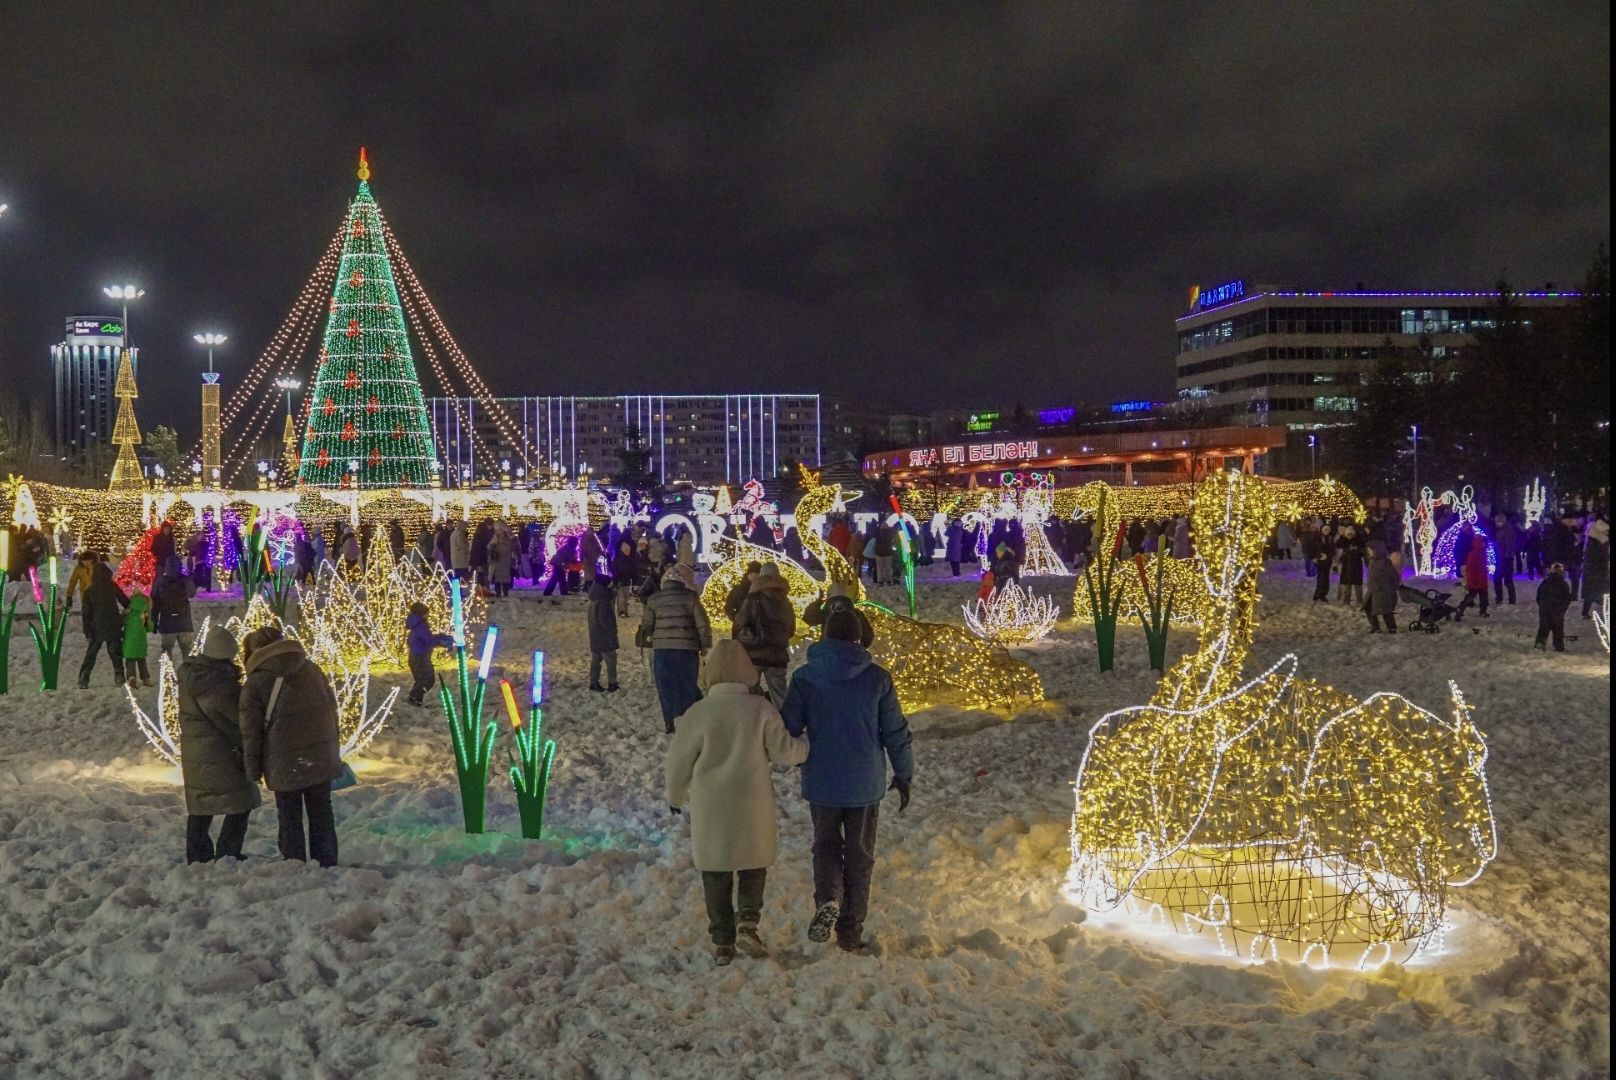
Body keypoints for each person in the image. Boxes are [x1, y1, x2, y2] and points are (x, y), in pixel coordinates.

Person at [666, 640, 809, 965]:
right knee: (752, 864)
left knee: (715, 871)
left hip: (711, 804)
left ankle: (722, 942)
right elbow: (785, 752)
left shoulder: (698, 713)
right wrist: (807, 745)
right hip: (751, 801)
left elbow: (678, 761)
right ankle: (748, 921)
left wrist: (675, 795)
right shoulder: (760, 709)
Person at [782, 607, 913, 953]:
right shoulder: (878, 679)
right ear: (858, 638)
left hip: (822, 780)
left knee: (825, 846)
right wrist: (904, 773)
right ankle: (850, 931)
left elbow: (789, 728)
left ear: (824, 636)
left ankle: (828, 898)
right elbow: (895, 732)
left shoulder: (805, 678)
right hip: (865, 782)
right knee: (859, 855)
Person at [239, 626, 343, 866]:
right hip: (319, 754)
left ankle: (294, 863)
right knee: (322, 811)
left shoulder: (256, 683)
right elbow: (332, 709)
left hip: (283, 760)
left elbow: (251, 731)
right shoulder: (311, 669)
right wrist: (332, 747)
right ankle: (327, 861)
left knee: (289, 814)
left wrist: (252, 768)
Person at [178, 626, 260, 863]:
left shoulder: (193, 674)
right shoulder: (218, 682)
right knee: (241, 802)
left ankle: (197, 853)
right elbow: (236, 715)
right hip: (218, 751)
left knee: (201, 805)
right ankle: (227, 851)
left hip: (196, 750)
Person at [639, 562, 711, 734]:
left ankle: (670, 722)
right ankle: (688, 721)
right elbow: (702, 624)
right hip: (687, 649)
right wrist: (705, 644)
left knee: (666, 687)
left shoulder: (654, 599)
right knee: (687, 684)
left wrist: (648, 640)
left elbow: (647, 625)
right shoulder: (691, 597)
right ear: (681, 582)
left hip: (663, 649)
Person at [734, 563, 796, 705]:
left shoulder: (753, 598)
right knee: (780, 696)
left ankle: (755, 722)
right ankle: (783, 724)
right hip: (778, 656)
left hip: (755, 654)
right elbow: (791, 629)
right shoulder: (786, 602)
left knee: (750, 694)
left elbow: (740, 622)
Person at [77, 561, 129, 688]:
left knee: (92, 653)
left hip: (96, 627)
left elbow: (86, 613)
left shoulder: (90, 590)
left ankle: (84, 677)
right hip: (113, 625)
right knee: (115, 652)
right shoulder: (112, 586)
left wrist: (87, 630)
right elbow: (125, 601)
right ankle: (119, 675)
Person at [404, 602, 453, 707]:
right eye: (426, 613)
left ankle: (416, 701)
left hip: (415, 657)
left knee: (421, 680)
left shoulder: (416, 626)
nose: (428, 615)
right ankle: (414, 698)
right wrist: (441, 639)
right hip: (421, 658)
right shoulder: (420, 626)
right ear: (421, 614)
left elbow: (425, 639)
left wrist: (439, 637)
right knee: (428, 680)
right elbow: (429, 640)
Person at [152, 558, 195, 665]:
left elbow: (155, 602)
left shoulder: (160, 581)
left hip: (167, 623)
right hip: (184, 622)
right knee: (187, 651)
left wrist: (154, 621)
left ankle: (168, 677)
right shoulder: (185, 579)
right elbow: (192, 593)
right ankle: (188, 676)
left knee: (167, 651)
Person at [803, 584, 874, 647]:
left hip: (828, 650)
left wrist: (818, 602)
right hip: (850, 651)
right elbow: (868, 637)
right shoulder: (856, 614)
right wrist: (859, 648)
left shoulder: (827, 612)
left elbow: (808, 618)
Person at [587, 572, 620, 692]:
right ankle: (612, 682)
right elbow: (605, 619)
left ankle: (593, 681)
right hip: (604, 636)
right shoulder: (604, 601)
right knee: (611, 660)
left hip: (595, 634)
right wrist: (612, 631)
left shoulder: (594, 599)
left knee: (596, 659)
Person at [1454, 529, 1491, 620]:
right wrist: (1473, 579)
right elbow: (1472, 568)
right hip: (1477, 579)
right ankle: (1463, 608)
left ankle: (1464, 609)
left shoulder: (1477, 552)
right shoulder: (1478, 553)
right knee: (1475, 596)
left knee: (1478, 596)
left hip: (1478, 579)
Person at [1535, 563, 1572, 652]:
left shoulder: (1545, 582)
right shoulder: (1563, 584)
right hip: (1557, 610)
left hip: (1545, 609)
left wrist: (1542, 606)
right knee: (1558, 629)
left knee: (1544, 627)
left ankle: (1540, 643)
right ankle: (1559, 646)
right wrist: (1562, 609)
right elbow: (1567, 598)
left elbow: (1539, 596)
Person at [122, 586, 155, 688]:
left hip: (129, 641)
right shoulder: (144, 613)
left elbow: (121, 622)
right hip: (140, 642)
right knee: (141, 660)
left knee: (130, 660)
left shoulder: (129, 611)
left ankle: (131, 677)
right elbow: (149, 628)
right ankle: (146, 678)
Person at [1364, 540, 1399, 633]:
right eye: (1368, 550)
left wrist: (1392, 588)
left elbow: (1395, 576)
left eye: (1370, 550)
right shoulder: (1372, 561)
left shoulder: (1385, 563)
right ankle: (1375, 626)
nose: (1369, 552)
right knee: (1368, 607)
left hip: (1384, 591)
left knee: (1385, 610)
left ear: (1377, 550)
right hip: (1373, 590)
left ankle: (1392, 627)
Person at [1581, 516, 1609, 620]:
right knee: (1595, 592)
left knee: (1593, 593)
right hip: (1596, 572)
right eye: (1605, 531)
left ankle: (1585, 612)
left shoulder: (1597, 541)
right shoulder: (1596, 543)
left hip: (1596, 572)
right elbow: (1600, 557)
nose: (1607, 533)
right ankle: (1585, 612)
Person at [1492, 513, 1519, 605]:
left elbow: (1509, 545)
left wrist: (1506, 556)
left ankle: (1511, 599)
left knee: (1507, 580)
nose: (1498, 523)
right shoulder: (1501, 530)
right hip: (1501, 558)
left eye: (1499, 522)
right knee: (1498, 579)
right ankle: (1500, 598)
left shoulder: (1508, 531)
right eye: (1497, 522)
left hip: (1505, 559)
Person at [1336, 526, 1364, 607]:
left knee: (1358, 585)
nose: (1350, 536)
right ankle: (1346, 601)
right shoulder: (1343, 541)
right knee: (1347, 585)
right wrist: (1342, 536)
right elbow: (1338, 545)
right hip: (1346, 566)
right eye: (1348, 534)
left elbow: (1362, 550)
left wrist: (1356, 550)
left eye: (1351, 534)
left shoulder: (1359, 541)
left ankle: (1360, 600)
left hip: (1356, 566)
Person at [611, 538, 638, 617]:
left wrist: (633, 578)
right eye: (626, 550)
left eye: (628, 550)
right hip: (620, 581)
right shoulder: (618, 559)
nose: (628, 552)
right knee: (621, 597)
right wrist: (616, 580)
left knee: (625, 597)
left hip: (626, 580)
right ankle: (621, 611)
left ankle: (625, 611)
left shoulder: (629, 559)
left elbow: (632, 570)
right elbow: (616, 570)